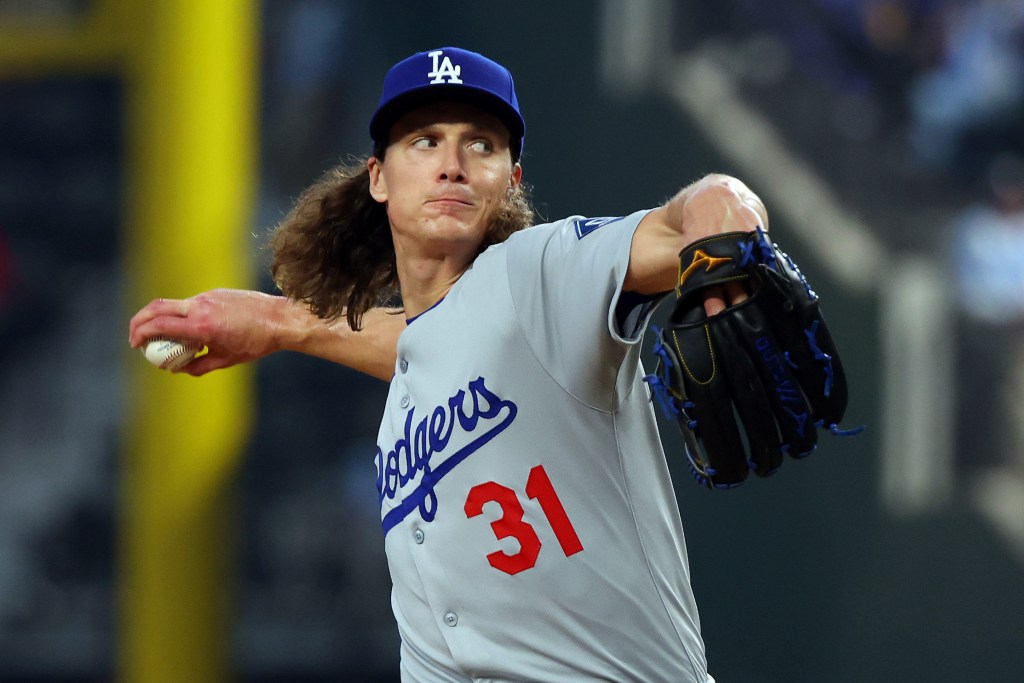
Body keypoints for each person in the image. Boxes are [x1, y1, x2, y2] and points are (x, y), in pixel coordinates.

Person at [130, 46, 766, 682]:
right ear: (378, 177)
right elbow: (433, 344)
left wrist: (722, 205)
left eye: (482, 145)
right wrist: (280, 322)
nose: (453, 166)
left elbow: (688, 219)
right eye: (425, 142)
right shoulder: (419, 385)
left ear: (513, 178)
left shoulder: (540, 275)